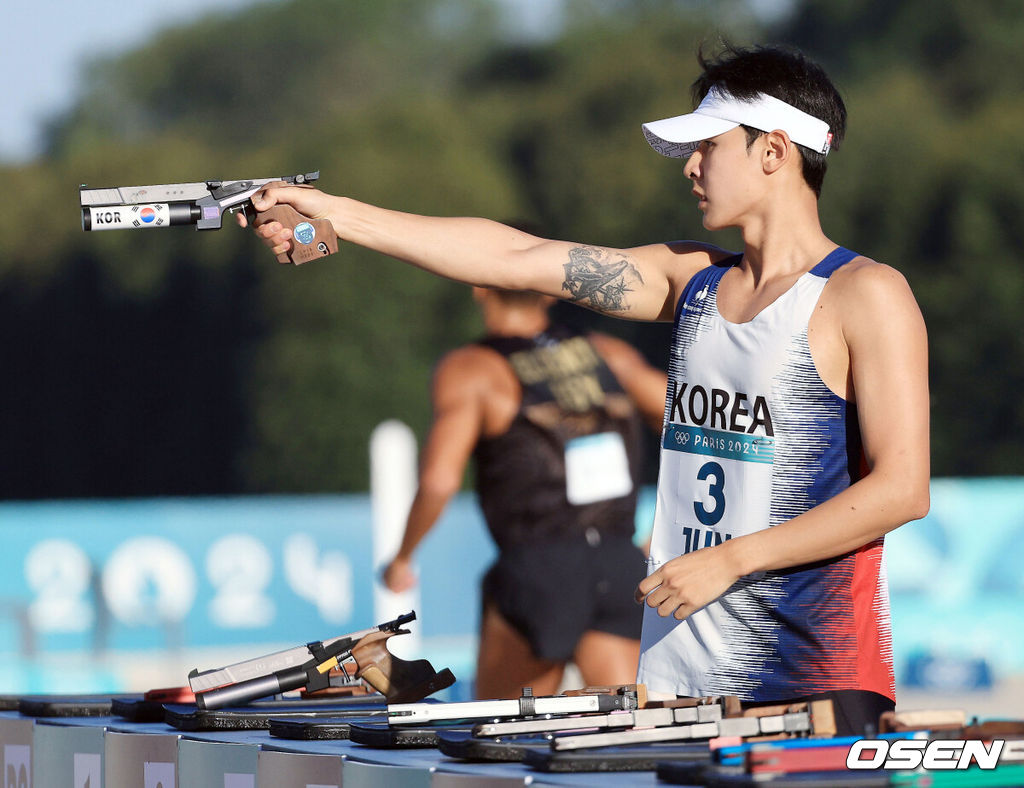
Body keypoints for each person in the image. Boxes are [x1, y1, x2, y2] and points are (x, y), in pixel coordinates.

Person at [241, 44, 930, 735]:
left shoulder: (865, 294)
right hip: (680, 678)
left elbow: (903, 488)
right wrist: (333, 212)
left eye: (708, 147)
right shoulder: (688, 279)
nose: (690, 167)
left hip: (814, 674)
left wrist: (732, 560)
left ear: (774, 152)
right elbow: (512, 256)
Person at [379, 285, 667, 699]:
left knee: (501, 736)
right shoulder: (607, 353)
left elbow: (440, 481)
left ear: (478, 288)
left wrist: (403, 558)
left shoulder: (472, 369)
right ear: (550, 291)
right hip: (620, 563)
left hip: (538, 570)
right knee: (633, 730)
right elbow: (698, 433)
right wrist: (662, 532)